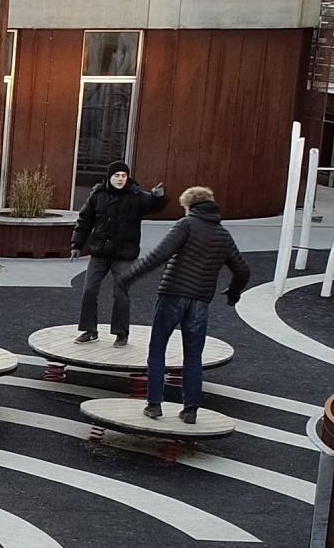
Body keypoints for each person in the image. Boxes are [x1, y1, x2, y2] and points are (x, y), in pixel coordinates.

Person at [120, 186, 252, 424]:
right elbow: (242, 269)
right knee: (193, 356)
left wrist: (129, 277)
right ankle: (190, 409)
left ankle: (154, 405)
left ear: (189, 206)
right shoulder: (223, 234)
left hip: (172, 295)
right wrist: (233, 293)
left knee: (158, 350)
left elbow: (158, 255)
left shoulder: (187, 224)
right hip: (200, 301)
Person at [69, 164, 166, 346]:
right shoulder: (97, 194)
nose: (121, 178)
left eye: (124, 175)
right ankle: (89, 330)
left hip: (124, 254)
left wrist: (157, 197)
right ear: (109, 177)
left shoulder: (136, 195)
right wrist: (77, 244)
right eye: (117, 175)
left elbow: (152, 206)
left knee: (121, 292)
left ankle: (121, 333)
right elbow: (84, 220)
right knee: (89, 290)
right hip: (100, 251)